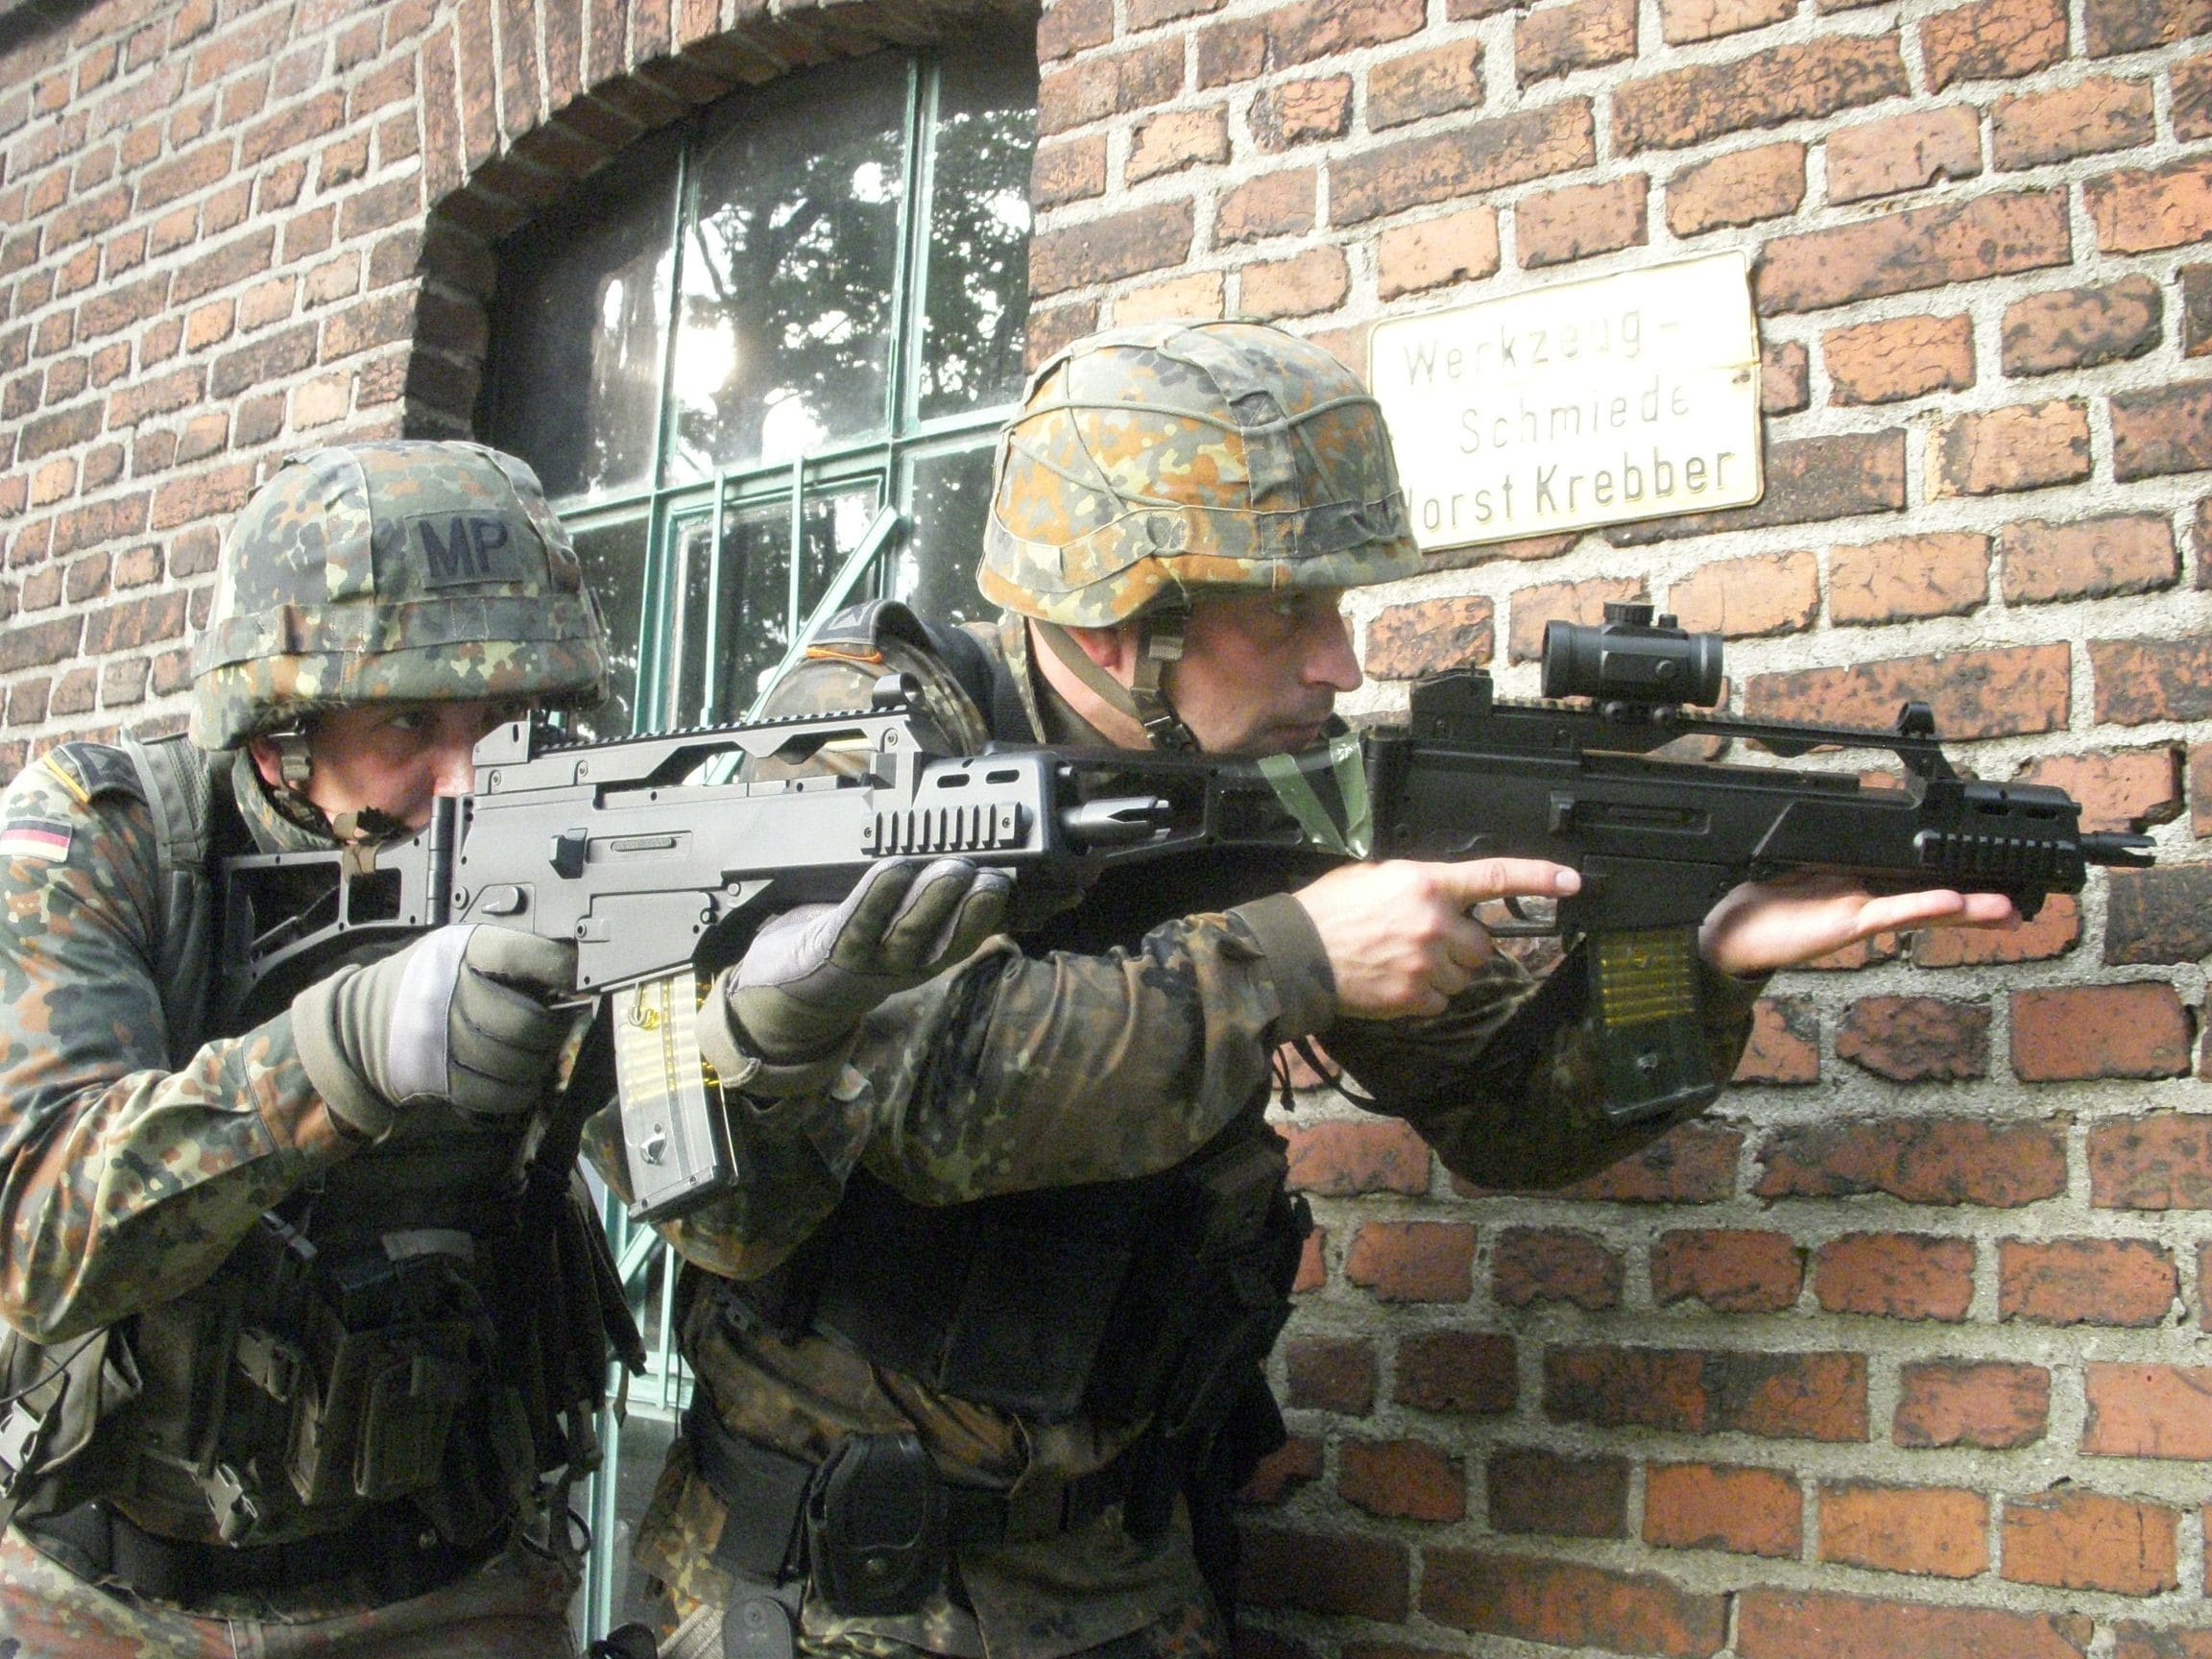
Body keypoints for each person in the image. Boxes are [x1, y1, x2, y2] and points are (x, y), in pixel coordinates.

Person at [591, 321, 2018, 1659]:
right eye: (1287, 614)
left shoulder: (1278, 796)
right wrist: (1297, 956)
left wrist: (1687, 960)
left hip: (1130, 1579)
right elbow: (917, 1093)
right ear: (1113, 627)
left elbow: (1511, 1117)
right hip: (828, 1586)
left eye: (1337, 604)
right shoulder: (865, 748)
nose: (1341, 662)